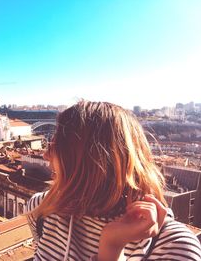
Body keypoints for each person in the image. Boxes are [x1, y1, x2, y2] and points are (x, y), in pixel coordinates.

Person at [27, 101, 201, 261]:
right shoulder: (41, 209)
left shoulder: (175, 247)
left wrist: (112, 249)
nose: (45, 154)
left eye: (56, 146)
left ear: (89, 162)